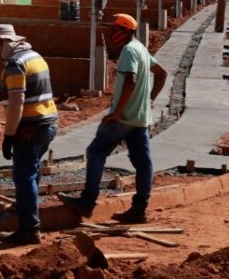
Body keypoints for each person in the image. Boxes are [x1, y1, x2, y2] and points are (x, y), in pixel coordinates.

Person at [59, 13, 168, 224]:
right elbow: (162, 74)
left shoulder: (129, 51)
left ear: (126, 31)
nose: (110, 33)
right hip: (140, 119)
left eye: (114, 29)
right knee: (143, 165)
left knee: (95, 153)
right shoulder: (142, 50)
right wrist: (149, 100)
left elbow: (131, 81)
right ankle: (139, 209)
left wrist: (117, 112)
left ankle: (87, 202)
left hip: (123, 118)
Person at [0, 23, 58, 246]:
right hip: (48, 122)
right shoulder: (34, 56)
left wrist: (9, 135)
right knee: (31, 173)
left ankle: (29, 229)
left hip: (30, 127)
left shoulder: (15, 64)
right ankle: (26, 212)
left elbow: (16, 102)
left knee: (24, 176)